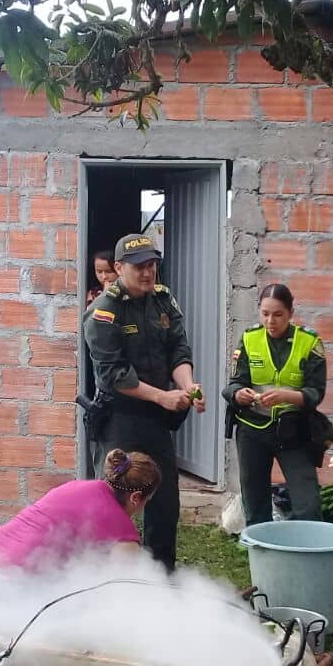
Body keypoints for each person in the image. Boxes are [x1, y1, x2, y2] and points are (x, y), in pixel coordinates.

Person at [0, 449, 162, 666]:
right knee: (81, 613)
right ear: (136, 497)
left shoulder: (75, 487)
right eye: (147, 502)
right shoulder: (122, 529)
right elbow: (127, 593)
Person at [82, 234, 204, 571]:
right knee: (112, 498)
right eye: (139, 266)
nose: (148, 272)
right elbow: (113, 374)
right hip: (119, 418)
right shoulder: (103, 311)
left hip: (155, 418)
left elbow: (178, 349)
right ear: (119, 268)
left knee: (164, 500)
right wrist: (164, 396)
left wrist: (188, 386)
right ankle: (104, 576)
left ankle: (160, 576)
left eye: (152, 265)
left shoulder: (163, 300)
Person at [223, 284, 327, 524]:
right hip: (253, 429)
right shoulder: (249, 338)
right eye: (265, 313)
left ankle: (307, 543)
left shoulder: (309, 342)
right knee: (255, 501)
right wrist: (239, 394)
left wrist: (287, 396)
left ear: (291, 313)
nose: (271, 321)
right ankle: (259, 543)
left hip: (294, 431)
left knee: (308, 503)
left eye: (278, 314)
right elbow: (235, 382)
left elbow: (316, 392)